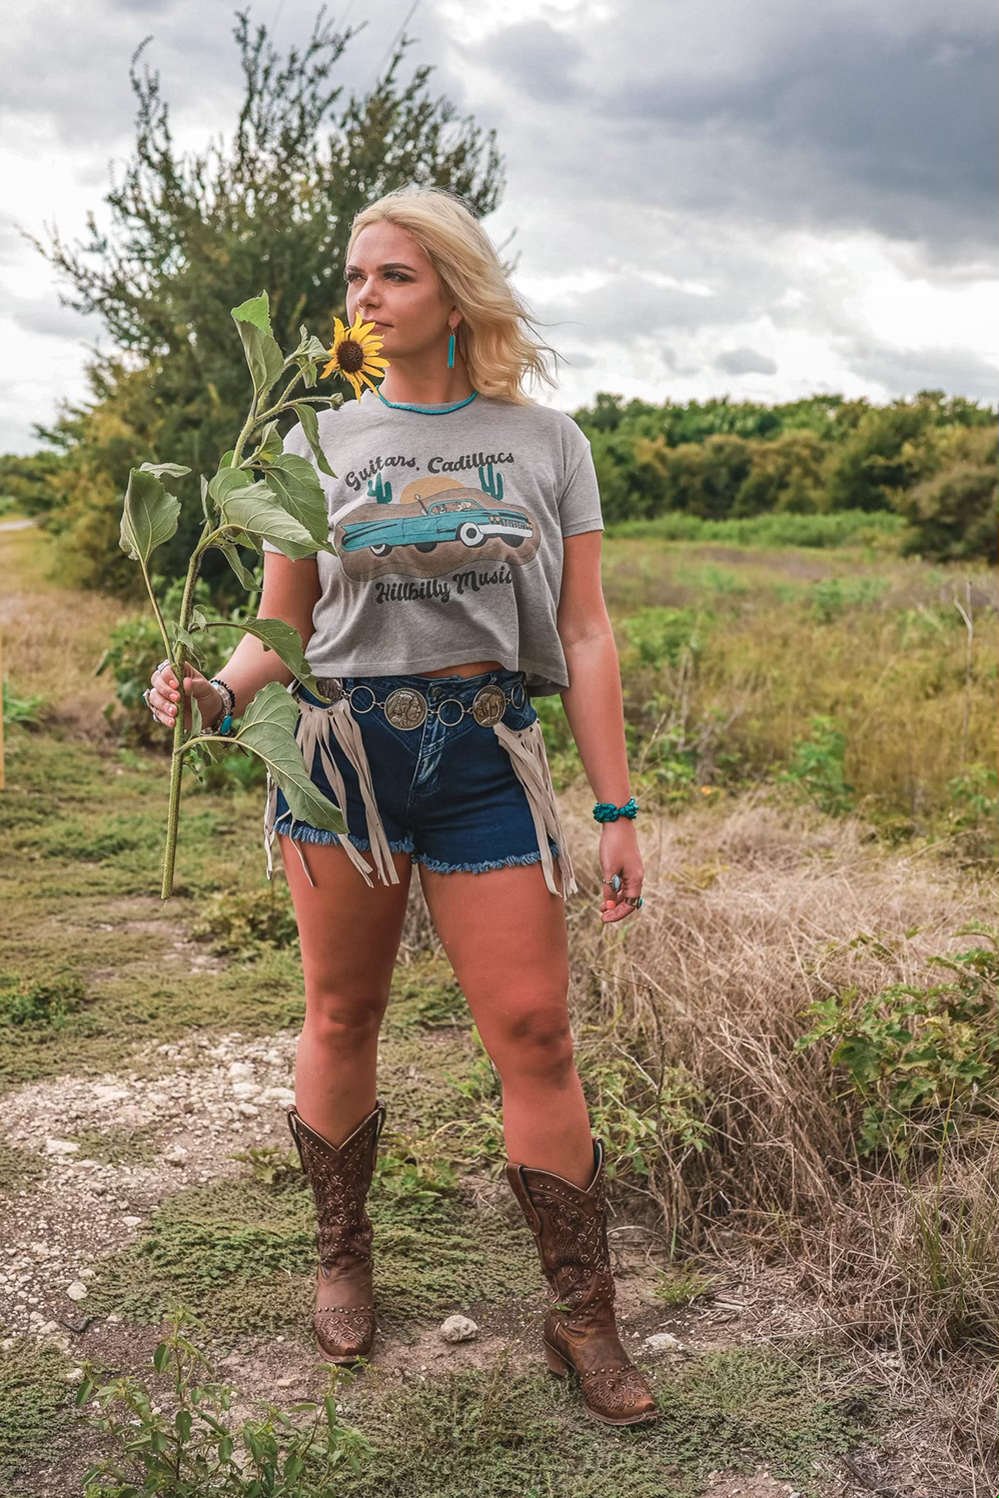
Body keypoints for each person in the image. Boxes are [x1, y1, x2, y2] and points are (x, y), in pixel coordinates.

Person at [146, 187, 655, 1426]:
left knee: (537, 1032)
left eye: (393, 277)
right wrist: (214, 692)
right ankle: (342, 1254)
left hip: (487, 757)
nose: (364, 299)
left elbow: (586, 630)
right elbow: (281, 625)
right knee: (342, 1010)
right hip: (342, 756)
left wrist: (616, 807)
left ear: (456, 294)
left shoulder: (548, 443)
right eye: (355, 277)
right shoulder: (312, 441)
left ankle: (582, 1313)